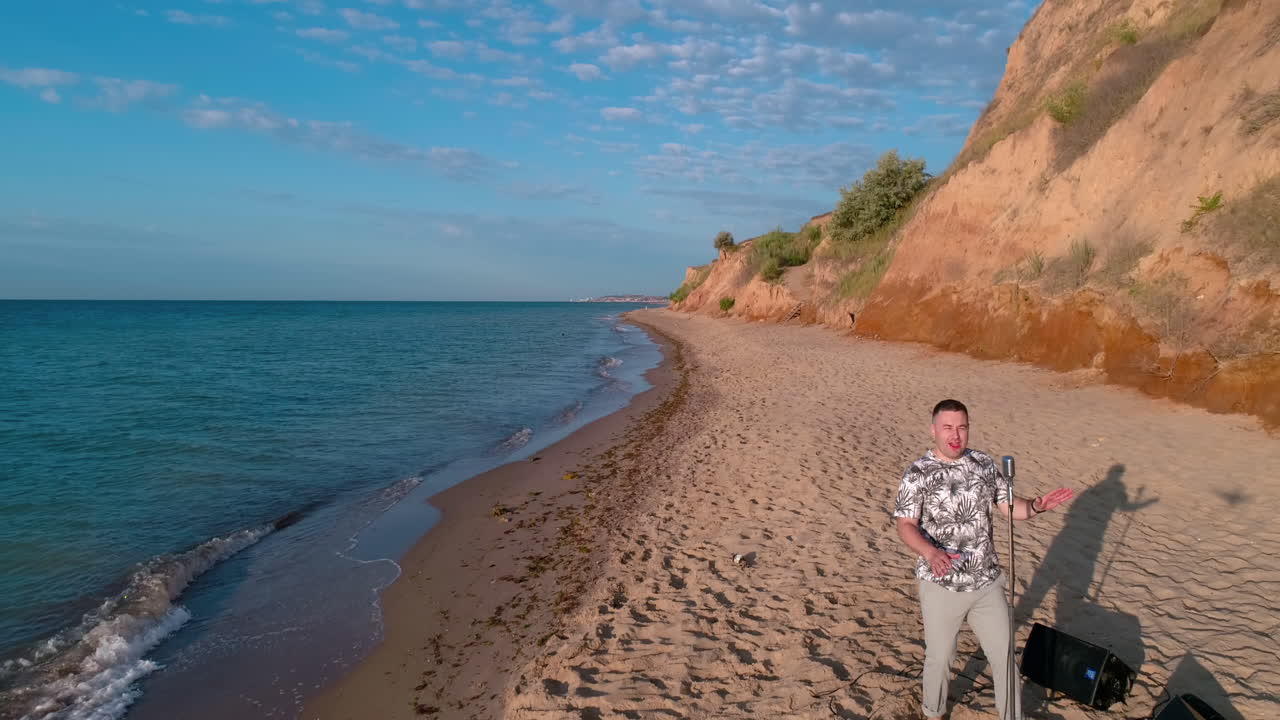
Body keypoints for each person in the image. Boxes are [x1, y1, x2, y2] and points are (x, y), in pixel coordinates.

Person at [892, 399, 1073, 720]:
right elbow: (905, 525)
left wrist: (1036, 506)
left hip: (987, 583)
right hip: (941, 584)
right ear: (933, 430)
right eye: (948, 427)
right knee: (940, 659)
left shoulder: (983, 463)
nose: (955, 435)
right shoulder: (917, 472)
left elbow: (1009, 508)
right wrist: (930, 552)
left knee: (1004, 658)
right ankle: (933, 713)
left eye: (962, 427)